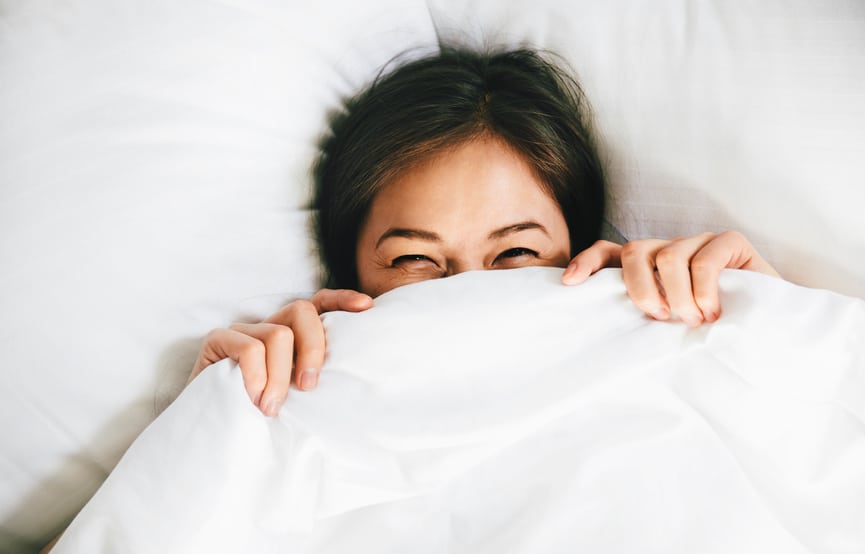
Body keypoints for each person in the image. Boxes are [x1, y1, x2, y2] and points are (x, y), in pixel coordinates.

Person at [188, 45, 779, 417]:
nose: (470, 293)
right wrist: (214, 417)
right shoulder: (291, 389)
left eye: (517, 252)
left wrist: (773, 322)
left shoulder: (681, 354)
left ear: (585, 251)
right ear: (348, 276)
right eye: (416, 261)